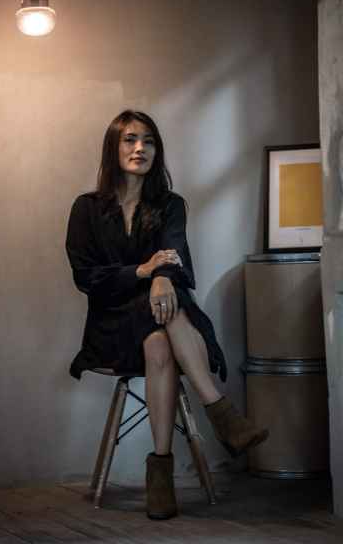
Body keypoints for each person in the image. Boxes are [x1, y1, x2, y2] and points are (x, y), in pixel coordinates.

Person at [65, 110, 269, 520]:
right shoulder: (86, 208)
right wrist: (144, 272)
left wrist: (161, 278)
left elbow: (175, 255)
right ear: (113, 147)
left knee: (160, 337)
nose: (140, 148)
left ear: (157, 151)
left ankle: (160, 472)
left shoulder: (170, 205)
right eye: (130, 139)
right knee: (165, 310)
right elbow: (87, 277)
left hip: (162, 319)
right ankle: (221, 412)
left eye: (149, 141)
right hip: (112, 324)